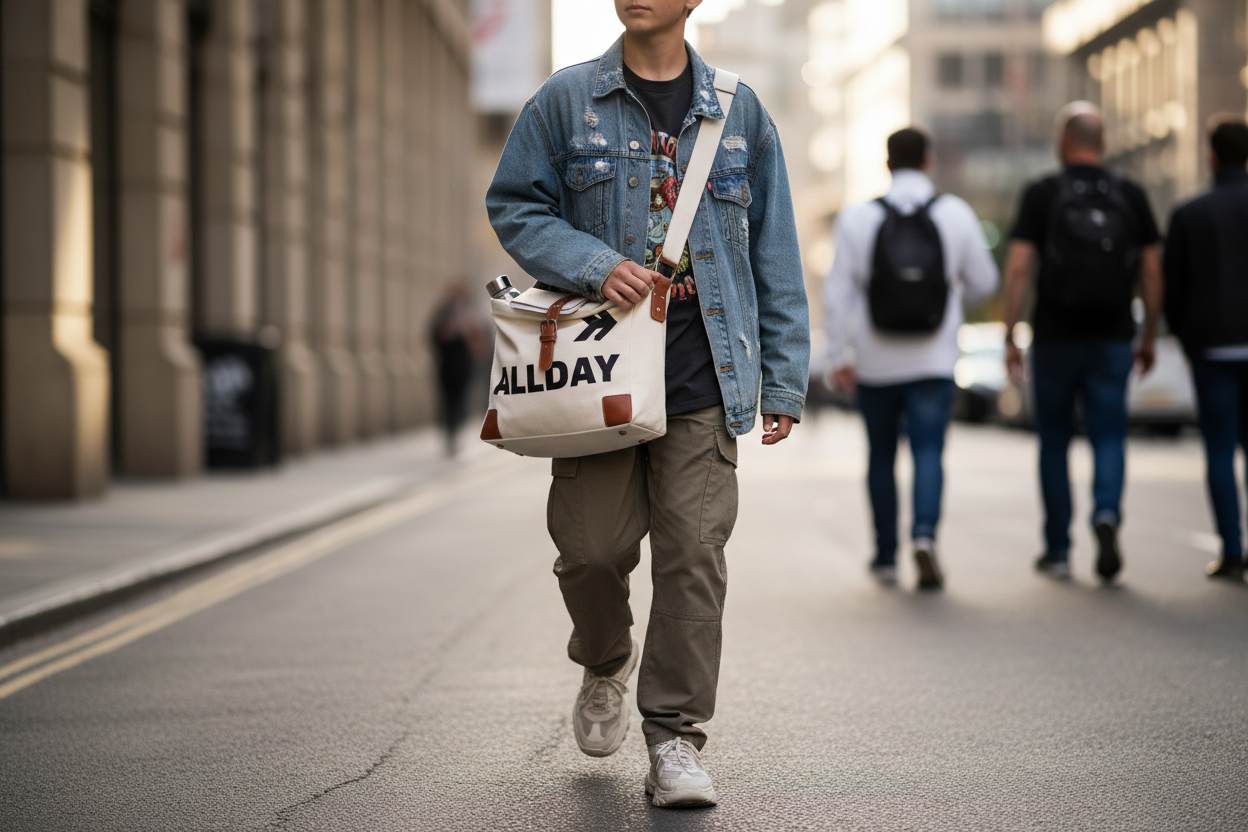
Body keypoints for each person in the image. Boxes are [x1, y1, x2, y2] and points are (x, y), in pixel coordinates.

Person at [485, 0, 809, 808]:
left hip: (704, 374)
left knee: (694, 556)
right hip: (597, 380)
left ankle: (674, 738)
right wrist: (593, 263)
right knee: (592, 551)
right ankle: (604, 658)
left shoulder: (740, 112)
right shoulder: (566, 102)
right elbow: (515, 205)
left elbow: (774, 249)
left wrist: (784, 377)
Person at [824, 127, 999, 590]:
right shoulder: (955, 214)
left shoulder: (858, 217)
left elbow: (837, 292)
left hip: (876, 360)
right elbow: (985, 283)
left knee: (880, 455)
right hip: (935, 359)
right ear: (928, 161)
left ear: (887, 164)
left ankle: (884, 555)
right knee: (928, 451)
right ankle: (923, 537)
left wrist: (838, 353)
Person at [1002, 102, 1163, 582]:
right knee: (1109, 435)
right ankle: (1107, 513)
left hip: (1054, 336)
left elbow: (1017, 268)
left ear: (1063, 142)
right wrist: (1149, 333)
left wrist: (1011, 334)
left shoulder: (1042, 193)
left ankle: (1057, 548)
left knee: (1054, 442)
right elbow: (1152, 270)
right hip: (1113, 335)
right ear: (1104, 143)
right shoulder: (1130, 194)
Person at [1163, 115, 1248, 582]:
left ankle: (1232, 550)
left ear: (1211, 155)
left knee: (1219, 450)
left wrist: (1184, 334)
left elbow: (1172, 288)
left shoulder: (1189, 213)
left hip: (1212, 347)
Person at [429, 282, 487, 455]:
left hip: (464, 365)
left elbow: (480, 341)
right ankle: (449, 433)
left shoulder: (471, 314)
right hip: (447, 364)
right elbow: (433, 335)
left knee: (461, 399)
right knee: (447, 400)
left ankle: (456, 430)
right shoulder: (443, 313)